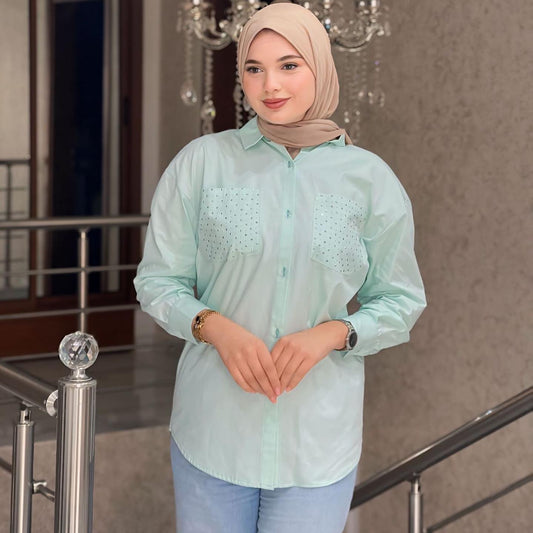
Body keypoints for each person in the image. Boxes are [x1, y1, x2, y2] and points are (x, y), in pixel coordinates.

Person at [134, 2, 426, 532]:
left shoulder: (369, 178)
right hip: (213, 431)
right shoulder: (202, 163)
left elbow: (400, 299)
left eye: (289, 65)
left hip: (316, 441)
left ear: (320, 67)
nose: (269, 84)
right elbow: (158, 281)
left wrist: (334, 333)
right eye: (254, 68)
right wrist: (214, 326)